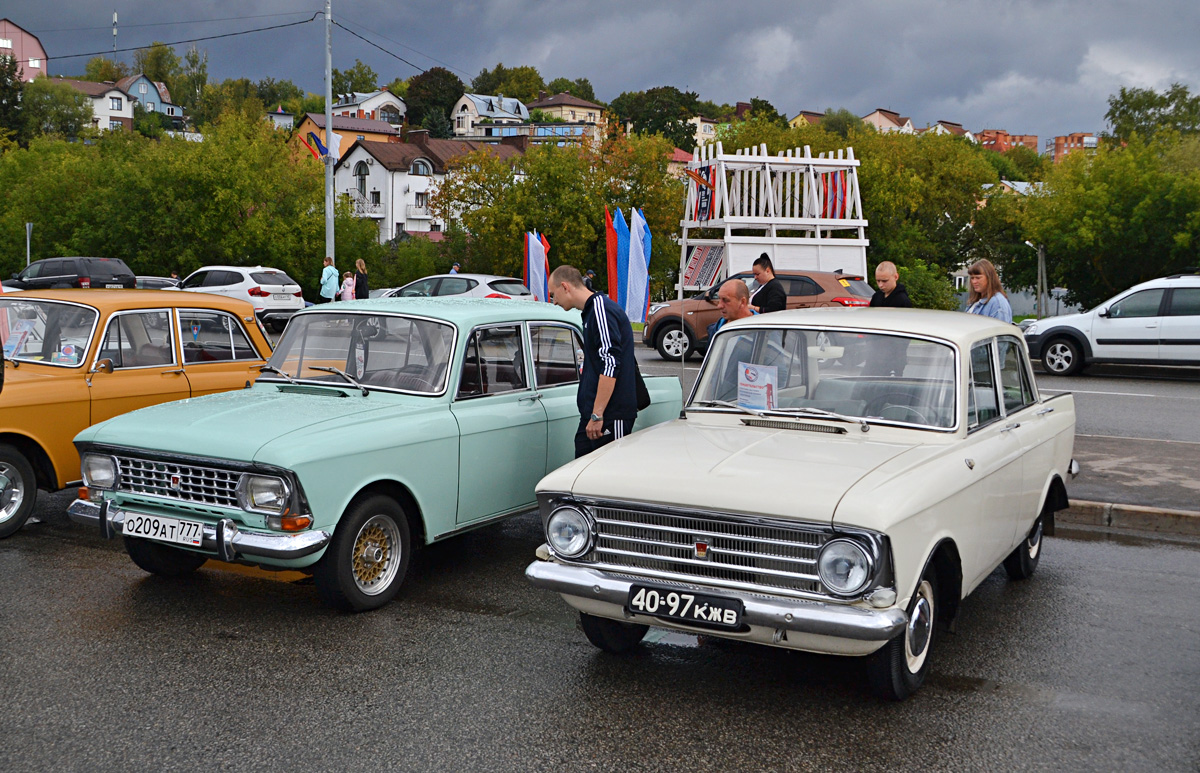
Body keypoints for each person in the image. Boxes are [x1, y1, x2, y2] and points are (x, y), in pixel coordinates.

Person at [549, 265, 638, 458]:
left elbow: (610, 362)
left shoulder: (600, 309)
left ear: (565, 287)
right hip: (594, 415)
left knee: (608, 478)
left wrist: (598, 414)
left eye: (553, 294)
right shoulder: (591, 311)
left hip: (610, 415)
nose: (554, 301)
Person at [965, 258, 1012, 323]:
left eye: (978, 278)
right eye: (972, 278)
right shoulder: (975, 301)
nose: (974, 281)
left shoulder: (997, 304)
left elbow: (1000, 331)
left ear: (989, 278)